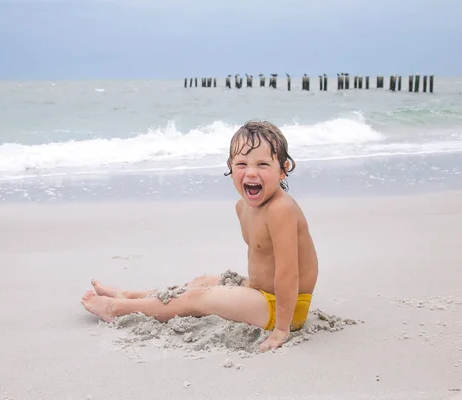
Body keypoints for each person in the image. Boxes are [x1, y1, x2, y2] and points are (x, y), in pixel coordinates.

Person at [81, 120, 319, 352]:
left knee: (197, 298)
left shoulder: (281, 210)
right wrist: (248, 286)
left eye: (263, 165)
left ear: (283, 170)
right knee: (201, 283)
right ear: (230, 165)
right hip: (261, 294)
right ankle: (133, 296)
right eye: (242, 164)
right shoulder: (243, 207)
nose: (251, 173)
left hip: (285, 308)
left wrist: (281, 329)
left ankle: (117, 307)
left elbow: (288, 273)